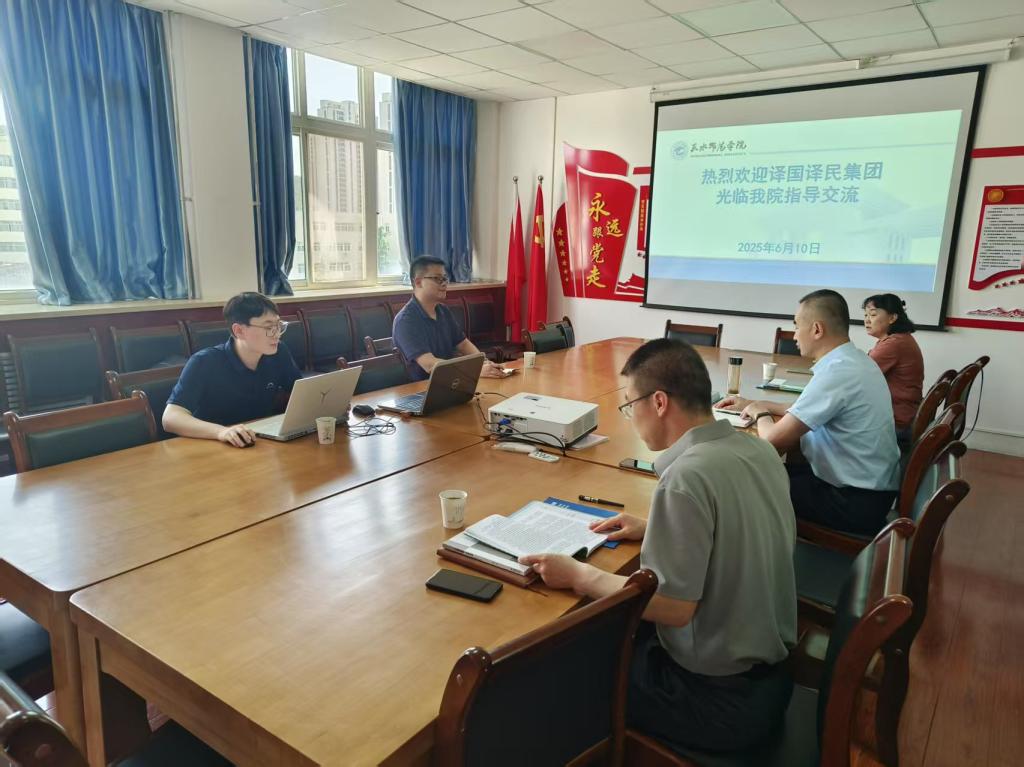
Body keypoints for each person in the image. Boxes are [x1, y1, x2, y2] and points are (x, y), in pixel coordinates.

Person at [521, 339, 797, 754]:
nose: (631, 415)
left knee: (561, 672)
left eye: (630, 404)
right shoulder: (759, 449)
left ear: (660, 402)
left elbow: (673, 608)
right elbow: (738, 528)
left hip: (716, 700)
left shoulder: (686, 477)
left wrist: (580, 575)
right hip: (771, 682)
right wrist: (654, 527)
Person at [718, 289, 900, 535]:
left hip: (851, 502)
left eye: (796, 326)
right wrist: (753, 402)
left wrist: (760, 414)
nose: (794, 335)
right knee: (765, 472)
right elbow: (805, 411)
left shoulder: (838, 372)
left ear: (816, 329)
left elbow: (771, 442)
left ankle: (752, 555)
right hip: (868, 492)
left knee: (739, 481)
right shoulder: (853, 361)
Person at [163, 292, 302, 448]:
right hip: (212, 445)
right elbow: (170, 418)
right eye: (269, 327)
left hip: (256, 442)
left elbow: (301, 393)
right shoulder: (204, 362)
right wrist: (221, 432)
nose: (277, 334)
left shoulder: (278, 352)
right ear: (239, 331)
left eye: (279, 325)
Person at [392, 256, 505, 381]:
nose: (444, 283)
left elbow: (463, 344)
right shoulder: (405, 321)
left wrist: (484, 362)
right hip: (421, 388)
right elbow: (429, 364)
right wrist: (474, 370)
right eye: (437, 279)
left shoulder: (443, 311)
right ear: (418, 282)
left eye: (445, 278)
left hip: (451, 381)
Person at [863, 293, 924, 445]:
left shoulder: (894, 344)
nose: (867, 320)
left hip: (897, 422)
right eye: (865, 315)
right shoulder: (899, 339)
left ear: (892, 318)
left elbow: (858, 375)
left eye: (873, 315)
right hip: (906, 414)